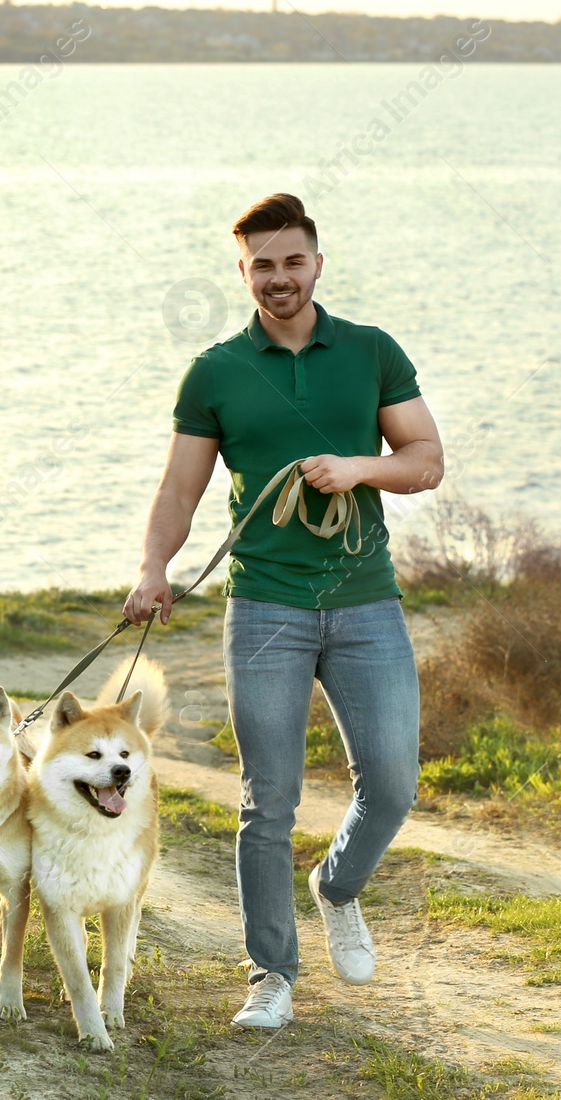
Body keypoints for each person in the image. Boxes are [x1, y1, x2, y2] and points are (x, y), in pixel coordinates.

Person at [122, 193, 444, 1030]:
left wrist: (357, 469)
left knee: (395, 782)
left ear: (317, 264)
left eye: (292, 261)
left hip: (365, 600)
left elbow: (425, 460)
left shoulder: (371, 352)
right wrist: (154, 568)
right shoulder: (217, 371)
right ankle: (271, 973)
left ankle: (336, 888)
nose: (278, 278)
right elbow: (179, 489)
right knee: (269, 801)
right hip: (264, 605)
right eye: (261, 265)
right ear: (244, 272)